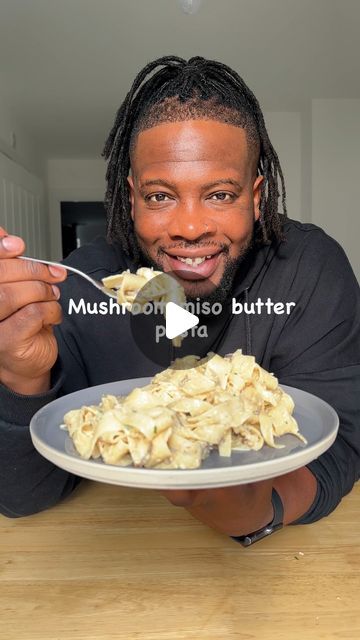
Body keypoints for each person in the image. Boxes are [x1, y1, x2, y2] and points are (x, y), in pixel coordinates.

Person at [0, 56, 359, 544]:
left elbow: (343, 442)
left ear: (255, 197)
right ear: (132, 198)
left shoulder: (310, 270)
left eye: (219, 195)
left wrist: (258, 510)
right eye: (160, 197)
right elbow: (23, 497)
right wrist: (23, 377)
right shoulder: (84, 282)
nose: (190, 229)